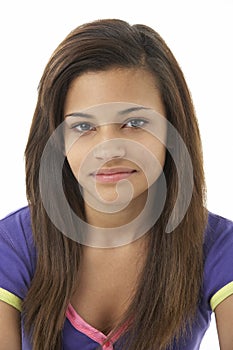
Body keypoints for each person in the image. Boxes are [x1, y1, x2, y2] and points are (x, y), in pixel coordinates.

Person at [0, 18, 233, 350]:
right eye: (83, 127)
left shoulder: (219, 246)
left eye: (134, 122)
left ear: (172, 129)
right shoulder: (12, 245)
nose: (108, 150)